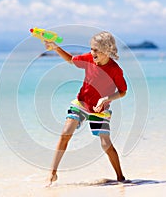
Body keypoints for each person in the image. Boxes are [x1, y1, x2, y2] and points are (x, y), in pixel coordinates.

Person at [44, 31, 128, 186]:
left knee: (105, 144)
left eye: (95, 50)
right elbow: (70, 59)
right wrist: (56, 48)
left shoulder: (115, 69)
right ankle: (52, 174)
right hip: (81, 103)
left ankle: (121, 177)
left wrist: (106, 99)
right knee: (65, 134)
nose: (92, 52)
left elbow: (123, 91)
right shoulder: (89, 59)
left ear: (105, 50)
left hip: (100, 109)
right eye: (91, 49)